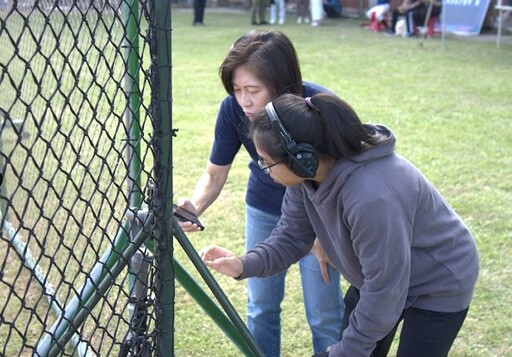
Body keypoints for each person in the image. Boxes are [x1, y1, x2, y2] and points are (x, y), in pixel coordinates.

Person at [200, 92, 479, 356]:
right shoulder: (305, 179)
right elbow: (291, 237)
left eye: (267, 162)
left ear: (302, 157)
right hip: (378, 277)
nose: (265, 169)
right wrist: (244, 264)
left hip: (437, 281)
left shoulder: (371, 196)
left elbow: (384, 290)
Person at [177, 31, 344, 357]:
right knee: (261, 306)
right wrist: (193, 206)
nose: (244, 101)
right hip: (265, 209)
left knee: (324, 313)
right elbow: (214, 172)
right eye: (237, 90)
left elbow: (342, 180)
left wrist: (327, 233)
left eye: (253, 90)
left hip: (318, 216)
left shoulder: (319, 107)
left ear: (282, 85)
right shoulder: (233, 110)